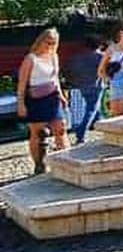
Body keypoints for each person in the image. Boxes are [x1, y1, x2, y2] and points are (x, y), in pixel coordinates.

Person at [16, 27, 70, 172]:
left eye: (53, 43)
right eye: (47, 42)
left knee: (60, 128)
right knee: (38, 132)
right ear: (40, 41)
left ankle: (66, 160)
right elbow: (22, 83)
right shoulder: (31, 58)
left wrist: (61, 95)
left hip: (52, 97)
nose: (49, 46)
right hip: (36, 98)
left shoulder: (54, 56)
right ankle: (39, 163)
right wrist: (21, 103)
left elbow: (55, 78)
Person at [64, 36, 103, 144]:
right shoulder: (100, 57)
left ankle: (100, 127)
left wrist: (75, 81)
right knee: (91, 109)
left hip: (82, 86)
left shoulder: (76, 58)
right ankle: (81, 132)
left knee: (95, 108)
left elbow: (67, 71)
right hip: (96, 85)